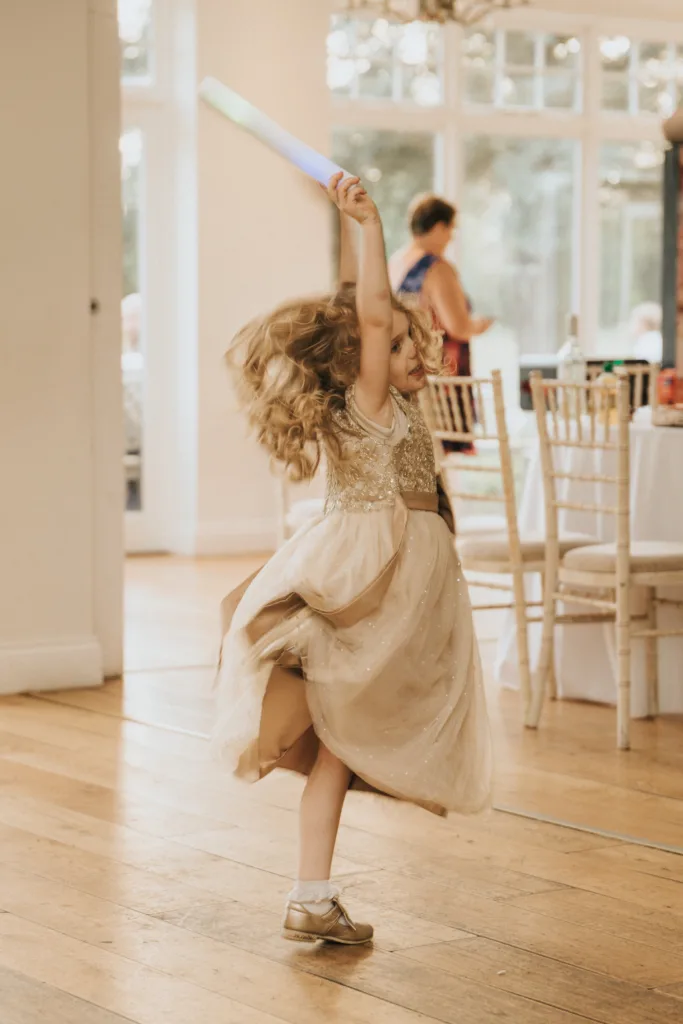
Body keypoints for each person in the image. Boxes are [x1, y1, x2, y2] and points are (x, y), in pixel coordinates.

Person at [213, 173, 491, 947]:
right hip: (368, 585)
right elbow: (366, 311)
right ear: (356, 362)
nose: (407, 348)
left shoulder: (395, 405)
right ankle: (310, 892)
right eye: (393, 342)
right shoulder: (364, 401)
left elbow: (354, 304)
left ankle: (311, 892)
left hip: (394, 584)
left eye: (409, 339)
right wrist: (367, 223)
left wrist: (346, 233)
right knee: (338, 738)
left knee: (339, 744)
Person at [390, 195, 492, 453]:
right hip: (439, 375)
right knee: (437, 454)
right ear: (438, 227)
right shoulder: (436, 268)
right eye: (450, 229)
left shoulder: (396, 262)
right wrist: (479, 325)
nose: (450, 237)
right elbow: (457, 326)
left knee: (416, 455)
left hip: (403, 372)